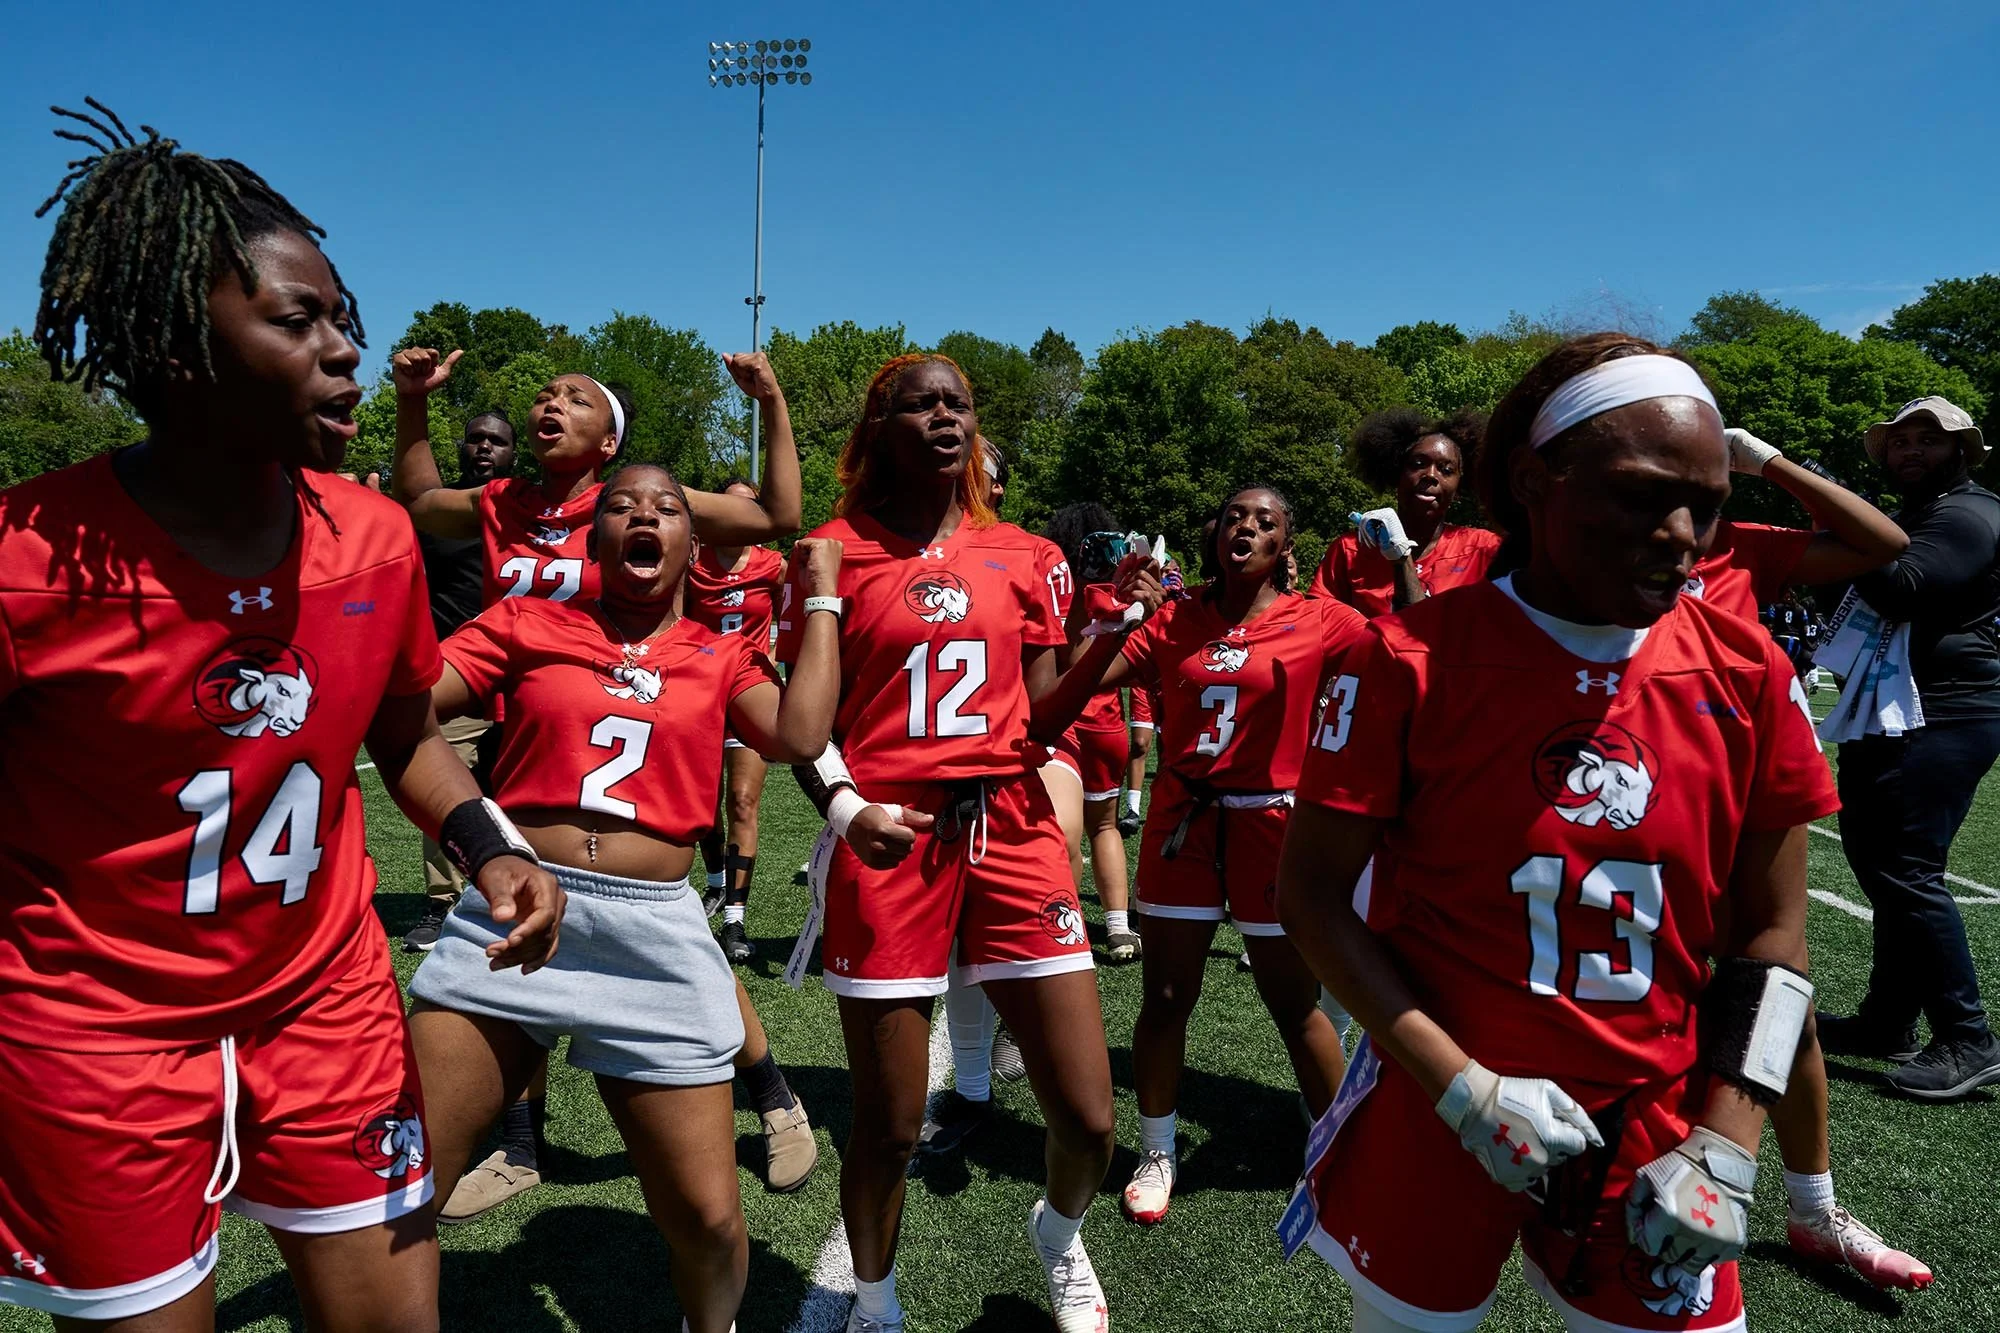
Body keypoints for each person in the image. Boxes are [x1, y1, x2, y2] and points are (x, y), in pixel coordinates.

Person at [0, 104, 562, 1329]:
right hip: (96, 1040)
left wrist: (490, 846)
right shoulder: (26, 556)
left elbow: (403, 733)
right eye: (298, 320)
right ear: (174, 345)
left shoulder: (372, 538)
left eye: (342, 316)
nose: (345, 348)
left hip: (325, 1006)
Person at [1276, 335, 1835, 1333]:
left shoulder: (1747, 669)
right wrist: (1459, 1087)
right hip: (1437, 1095)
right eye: (1641, 494)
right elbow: (1311, 896)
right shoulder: (1406, 659)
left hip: (1658, 1111)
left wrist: (1727, 1139)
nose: (1681, 535)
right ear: (1534, 480)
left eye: (1705, 504)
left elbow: (1774, 933)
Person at [409, 464, 841, 1331]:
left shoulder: (721, 653)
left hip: (654, 931)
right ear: (592, 536)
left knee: (710, 1222)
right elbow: (403, 708)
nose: (644, 514)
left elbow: (800, 733)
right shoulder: (526, 620)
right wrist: (480, 838)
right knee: (402, 1185)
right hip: (518, 905)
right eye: (621, 505)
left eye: (666, 507)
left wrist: (823, 598)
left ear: (692, 543)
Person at [389, 347, 817, 1215]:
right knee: (518, 946)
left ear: (611, 438)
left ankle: (772, 1093)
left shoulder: (630, 497)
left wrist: (771, 399)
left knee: (664, 921)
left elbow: (777, 513)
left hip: (636, 694)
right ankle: (519, 1145)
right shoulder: (503, 501)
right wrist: (410, 404)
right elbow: (420, 501)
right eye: (544, 393)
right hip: (531, 701)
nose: (550, 402)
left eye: (576, 397)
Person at [776, 353, 1152, 1333]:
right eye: (922, 404)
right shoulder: (829, 551)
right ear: (879, 427)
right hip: (890, 834)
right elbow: (802, 725)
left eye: (960, 403)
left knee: (1088, 1116)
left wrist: (1111, 634)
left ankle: (1058, 1235)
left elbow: (1041, 715)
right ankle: (874, 1303)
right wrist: (843, 808)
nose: (946, 417)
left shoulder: (1028, 554)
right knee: (890, 1126)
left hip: (1011, 824)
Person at [1037, 485, 1366, 1227]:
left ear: (1286, 545)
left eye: (1266, 520)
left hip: (1271, 825)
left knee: (1295, 1005)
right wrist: (1114, 615)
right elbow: (1072, 683)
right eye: (1236, 517)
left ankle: (1342, 1151)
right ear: (1216, 535)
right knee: (1164, 996)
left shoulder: (1323, 619)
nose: (1246, 527)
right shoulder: (1173, 619)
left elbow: (1406, 663)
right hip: (1183, 822)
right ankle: (1158, 1150)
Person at [1650, 426, 1930, 1289]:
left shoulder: (1742, 545)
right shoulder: (1597, 539)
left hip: (1738, 786)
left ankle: (1813, 1207)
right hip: (1629, 781)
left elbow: (1884, 542)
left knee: (1779, 994)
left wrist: (1769, 461)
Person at [1818, 396, 2000, 1101]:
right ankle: (1888, 1019)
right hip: (1902, 707)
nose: (1910, 451)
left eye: (1928, 439)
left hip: (1944, 710)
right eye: (1899, 441)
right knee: (1885, 862)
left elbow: (1903, 588)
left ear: (1961, 450)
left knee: (1904, 867)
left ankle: (1968, 1037)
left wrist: (1834, 514)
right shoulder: (1920, 516)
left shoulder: (1967, 514)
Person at [404, 410, 518, 952]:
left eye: (496, 441)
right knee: (441, 786)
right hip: (454, 675)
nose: (484, 448)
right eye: (475, 439)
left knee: (528, 791)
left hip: (524, 677)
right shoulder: (438, 513)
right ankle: (442, 901)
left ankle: (530, 890)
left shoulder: (530, 514)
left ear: (514, 454)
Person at [688, 477, 790, 963]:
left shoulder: (773, 565)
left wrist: (780, 663)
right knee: (703, 808)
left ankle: (734, 918)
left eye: (749, 508)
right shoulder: (691, 563)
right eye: (729, 507)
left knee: (744, 803)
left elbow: (797, 621)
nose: (739, 517)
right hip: (699, 697)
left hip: (749, 695)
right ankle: (714, 881)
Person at [1042, 505, 1143, 963]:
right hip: (1105, 722)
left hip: (1066, 724)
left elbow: (1066, 662)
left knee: (1063, 832)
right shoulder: (1119, 592)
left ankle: (1069, 927)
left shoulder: (1055, 590)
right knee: (1103, 825)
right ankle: (1117, 927)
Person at [1310, 407, 1499, 616]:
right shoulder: (1349, 550)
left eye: (1446, 470)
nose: (1431, 475)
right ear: (1396, 474)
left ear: (1459, 488)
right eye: (1418, 464)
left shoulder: (1484, 550)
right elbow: (1317, 623)